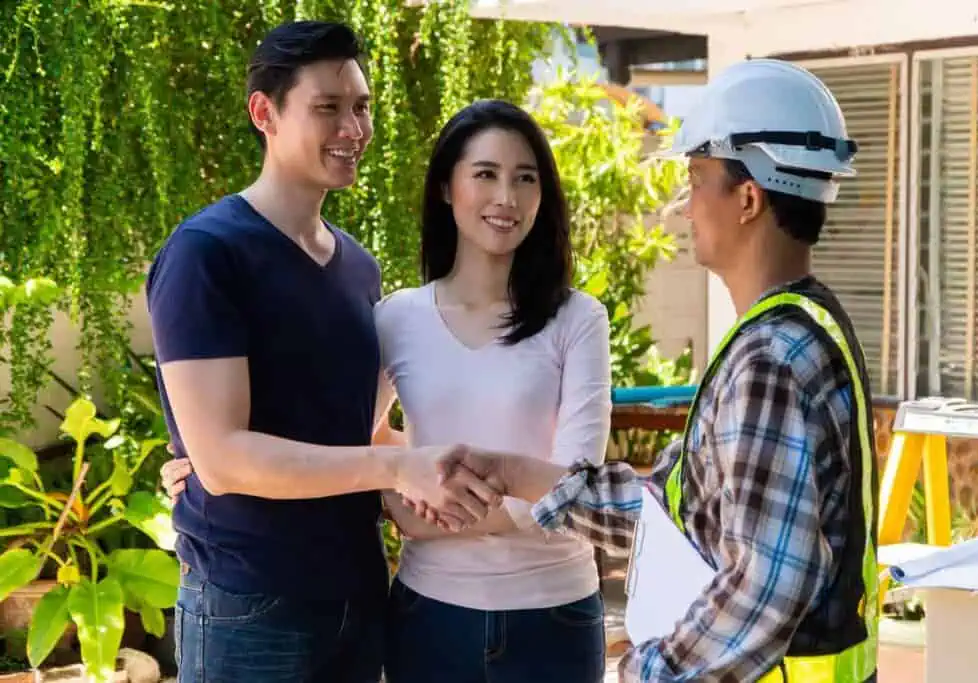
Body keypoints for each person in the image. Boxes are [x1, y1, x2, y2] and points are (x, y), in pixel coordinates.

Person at [431, 58, 881, 683]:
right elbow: (685, 512)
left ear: (747, 198)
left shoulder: (769, 361)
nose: (682, 204)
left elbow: (765, 585)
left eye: (697, 179)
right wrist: (519, 474)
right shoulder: (801, 326)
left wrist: (646, 672)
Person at [163, 98, 613, 683]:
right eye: (486, 175)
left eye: (526, 179)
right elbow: (353, 436)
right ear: (447, 189)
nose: (507, 197)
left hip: (555, 615)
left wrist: (422, 509)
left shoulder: (578, 319)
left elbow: (578, 486)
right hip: (431, 615)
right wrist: (207, 462)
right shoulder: (398, 317)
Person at [146, 20, 502, 683]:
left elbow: (358, 427)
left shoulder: (358, 268)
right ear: (265, 113)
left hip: (358, 595)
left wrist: (446, 471)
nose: (354, 128)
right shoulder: (206, 254)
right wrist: (397, 470)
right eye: (328, 108)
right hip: (251, 603)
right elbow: (221, 459)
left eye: (361, 106)